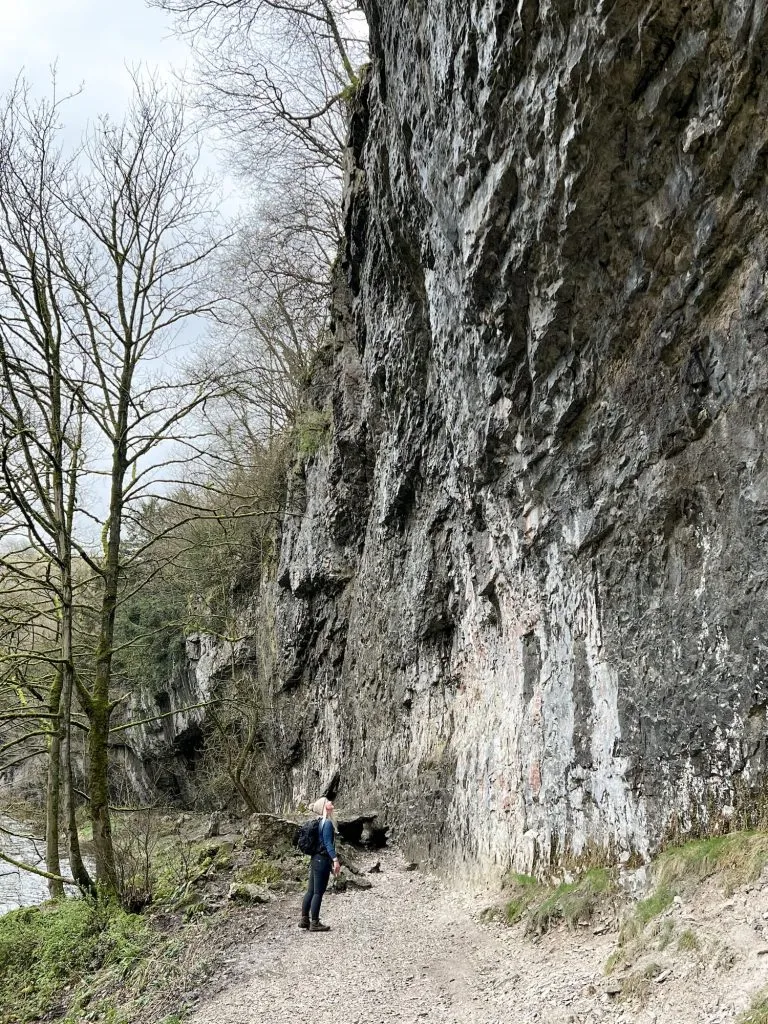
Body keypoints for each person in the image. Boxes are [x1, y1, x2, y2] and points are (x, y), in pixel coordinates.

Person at [299, 796, 341, 932]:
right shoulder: (327, 823)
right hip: (322, 860)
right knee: (318, 892)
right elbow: (328, 844)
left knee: (310, 890)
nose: (330, 802)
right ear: (324, 806)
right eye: (328, 801)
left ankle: (304, 919)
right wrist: (335, 860)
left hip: (315, 858)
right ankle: (315, 922)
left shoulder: (319, 822)